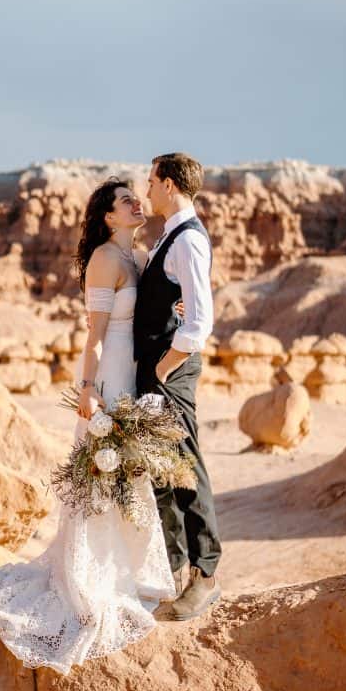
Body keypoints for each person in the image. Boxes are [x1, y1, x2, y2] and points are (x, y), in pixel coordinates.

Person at [0, 178, 175, 675]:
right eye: (125, 201)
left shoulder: (136, 257)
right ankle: (90, 582)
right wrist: (88, 390)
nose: (137, 203)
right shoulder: (107, 260)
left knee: (125, 475)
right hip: (108, 376)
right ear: (109, 217)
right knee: (102, 474)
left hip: (130, 376)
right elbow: (93, 334)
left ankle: (125, 572)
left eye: (138, 196)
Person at [134, 152, 222, 621]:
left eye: (150, 180)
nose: (146, 189)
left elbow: (199, 319)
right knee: (160, 469)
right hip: (157, 368)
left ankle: (206, 575)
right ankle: (176, 568)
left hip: (171, 371)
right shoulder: (171, 235)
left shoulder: (188, 240)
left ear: (169, 185)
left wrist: (166, 368)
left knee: (185, 466)